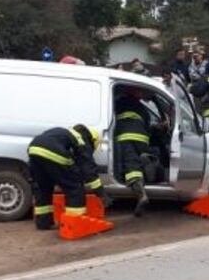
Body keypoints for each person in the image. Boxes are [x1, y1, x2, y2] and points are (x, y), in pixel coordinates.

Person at [27, 125, 110, 230]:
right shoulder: (81, 140)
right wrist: (101, 193)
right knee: (74, 187)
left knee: (43, 188)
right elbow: (89, 169)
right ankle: (74, 224)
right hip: (52, 151)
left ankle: (43, 222)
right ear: (91, 139)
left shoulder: (64, 133)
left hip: (33, 150)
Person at [114, 86, 152, 216]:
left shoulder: (118, 103)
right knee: (142, 160)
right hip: (142, 138)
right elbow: (147, 124)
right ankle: (148, 171)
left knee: (131, 167)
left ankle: (141, 194)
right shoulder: (142, 107)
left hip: (125, 136)